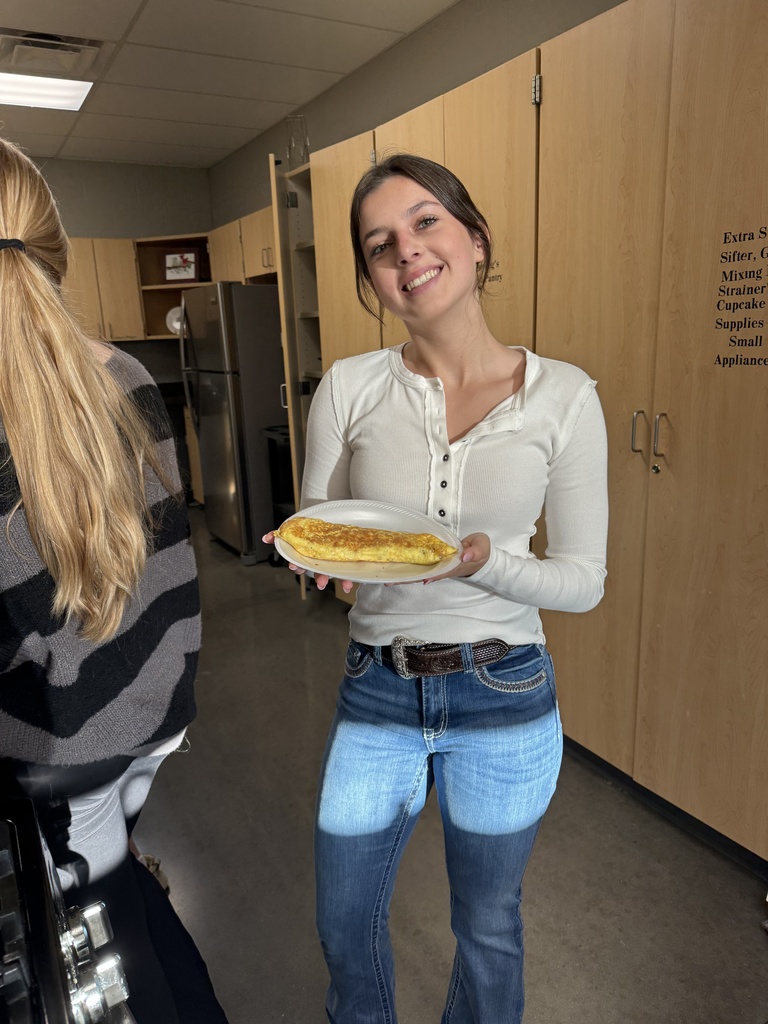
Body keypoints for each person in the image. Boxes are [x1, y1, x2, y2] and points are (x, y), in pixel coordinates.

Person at [267, 153, 609, 1023]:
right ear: (372, 278)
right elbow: (324, 529)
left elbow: (582, 581)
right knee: (344, 923)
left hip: (506, 691)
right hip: (377, 686)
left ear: (476, 240)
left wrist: (479, 560)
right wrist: (318, 563)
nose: (406, 251)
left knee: (488, 927)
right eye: (379, 244)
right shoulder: (346, 387)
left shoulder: (564, 398)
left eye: (426, 222)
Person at [0, 136, 227, 1023]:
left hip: (70, 752)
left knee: (107, 943)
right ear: (55, 248)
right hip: (156, 717)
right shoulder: (128, 376)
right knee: (122, 870)